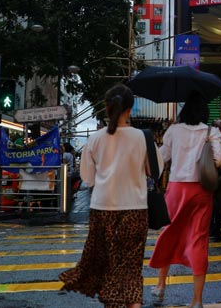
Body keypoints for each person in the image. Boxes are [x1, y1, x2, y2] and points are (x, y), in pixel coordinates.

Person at [59, 84, 162, 308]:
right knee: (131, 267)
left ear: (106, 108)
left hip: (102, 209)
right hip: (135, 209)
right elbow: (155, 170)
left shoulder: (95, 140)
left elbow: (87, 177)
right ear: (130, 109)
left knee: (109, 267)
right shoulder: (142, 138)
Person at [149, 93, 221, 308]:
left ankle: (161, 286)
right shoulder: (211, 131)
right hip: (202, 191)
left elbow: (161, 157)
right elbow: (219, 160)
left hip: (177, 189)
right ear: (204, 112)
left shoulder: (174, 129)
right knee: (199, 240)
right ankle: (197, 300)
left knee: (169, 233)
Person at [209, 119, 221, 243]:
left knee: (219, 205)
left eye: (220, 128)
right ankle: (211, 229)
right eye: (216, 127)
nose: (218, 130)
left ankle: (217, 230)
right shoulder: (207, 141)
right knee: (210, 205)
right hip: (209, 175)